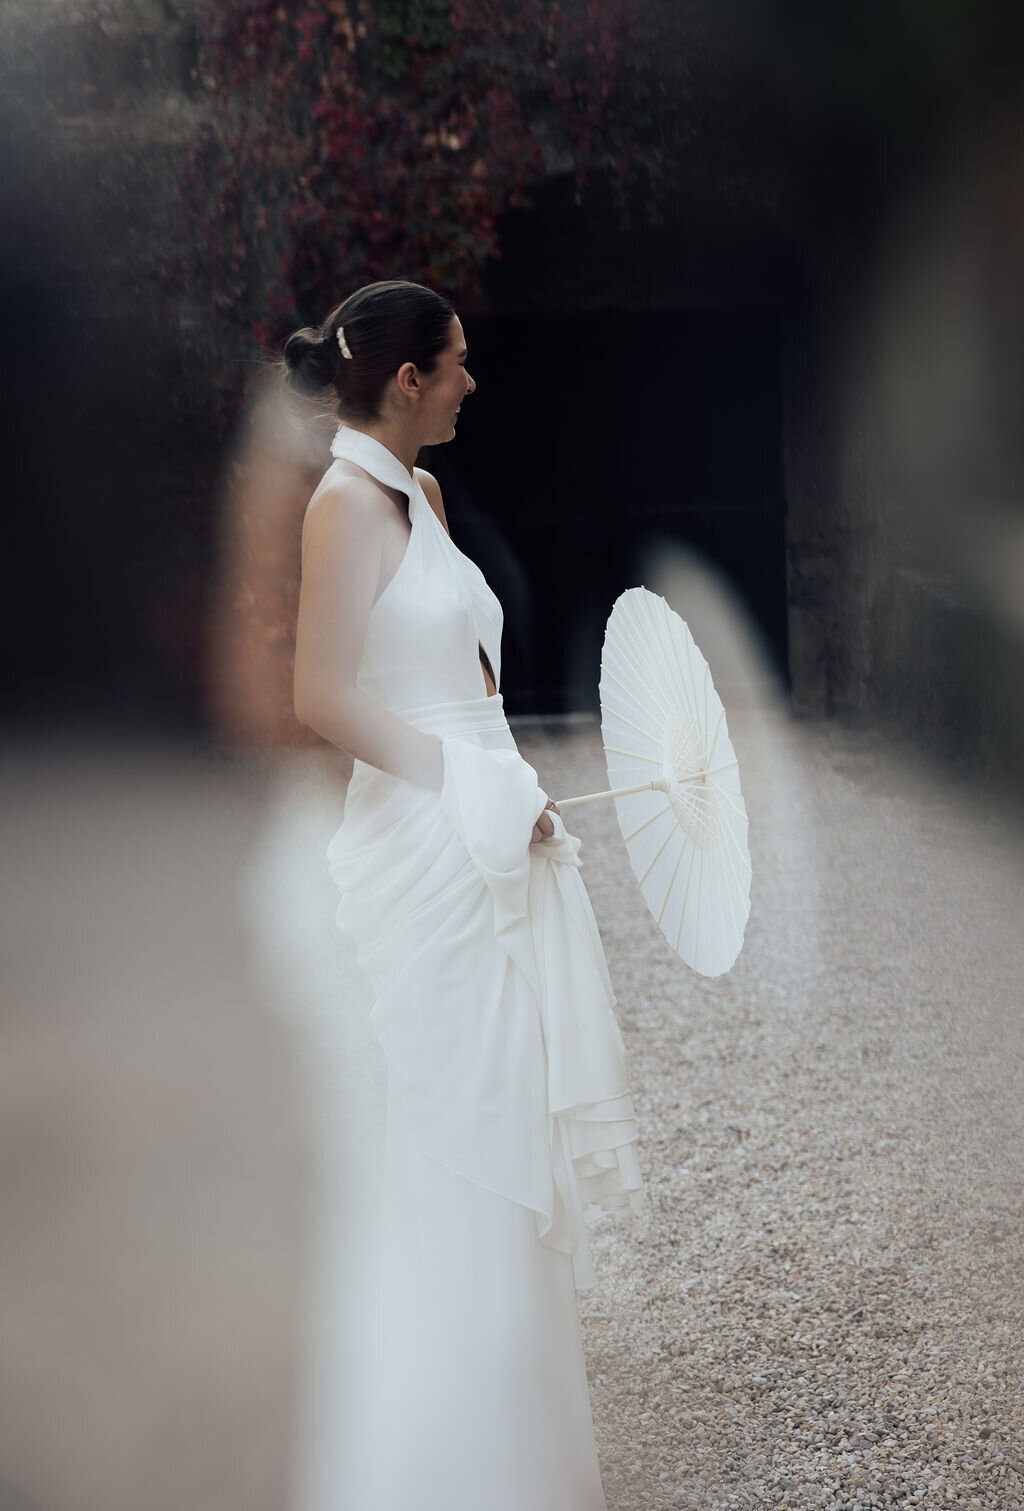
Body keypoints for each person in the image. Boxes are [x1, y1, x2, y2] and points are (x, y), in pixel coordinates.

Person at [282, 279, 644, 1511]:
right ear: (404, 382)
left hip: (487, 826)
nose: (472, 382)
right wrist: (465, 787)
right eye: (458, 364)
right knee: (453, 1131)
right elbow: (320, 696)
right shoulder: (341, 505)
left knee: (514, 1115)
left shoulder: (423, 496)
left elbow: (468, 678)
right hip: (424, 845)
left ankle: (520, 1460)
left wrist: (507, 784)